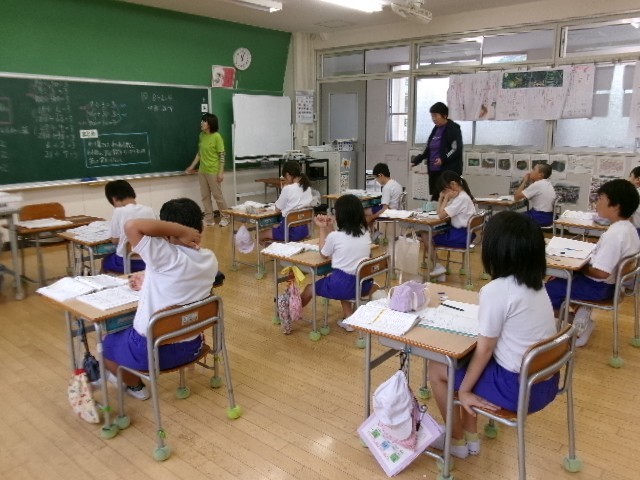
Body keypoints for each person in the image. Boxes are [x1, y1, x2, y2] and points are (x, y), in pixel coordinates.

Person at [428, 211, 559, 459]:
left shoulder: (497, 290)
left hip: (517, 390)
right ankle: (471, 438)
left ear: (496, 251)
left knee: (437, 366)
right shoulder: (537, 284)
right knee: (466, 363)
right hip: (545, 383)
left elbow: (486, 349)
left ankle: (455, 441)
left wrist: (464, 391)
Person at [102, 198, 218, 400]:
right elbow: (178, 278)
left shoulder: (163, 255)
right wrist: (148, 279)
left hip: (150, 354)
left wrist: (180, 231)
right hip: (193, 346)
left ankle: (135, 386)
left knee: (107, 343)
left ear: (165, 232)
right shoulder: (209, 258)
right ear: (200, 227)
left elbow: (131, 226)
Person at [546, 179, 640, 347]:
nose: (597, 202)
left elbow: (601, 272)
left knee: (549, 290)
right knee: (560, 278)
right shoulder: (629, 228)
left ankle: (574, 327)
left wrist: (579, 268)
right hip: (612, 285)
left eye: (601, 198)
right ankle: (580, 317)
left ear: (615, 205)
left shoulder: (615, 235)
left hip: (598, 287)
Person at [300, 194, 374, 329]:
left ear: (341, 216)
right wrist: (329, 226)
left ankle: (292, 311)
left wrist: (321, 228)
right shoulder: (365, 232)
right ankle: (349, 319)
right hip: (362, 283)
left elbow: (323, 254)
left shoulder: (336, 236)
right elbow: (339, 241)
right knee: (339, 277)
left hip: (343, 285)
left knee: (310, 288)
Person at [423, 171, 476, 279]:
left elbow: (440, 215)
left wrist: (445, 198)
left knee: (425, 235)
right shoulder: (461, 196)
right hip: (462, 233)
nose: (444, 192)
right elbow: (440, 212)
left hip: (461, 236)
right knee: (428, 232)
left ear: (453, 184)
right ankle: (438, 266)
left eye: (445, 190)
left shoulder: (461, 199)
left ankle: (438, 266)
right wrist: (441, 198)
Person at [411, 102, 463, 201]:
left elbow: (455, 149)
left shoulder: (453, 129)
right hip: (434, 171)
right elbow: (429, 148)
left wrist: (443, 159)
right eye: (432, 116)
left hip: (447, 171)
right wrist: (418, 159)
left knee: (440, 199)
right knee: (436, 198)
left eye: (435, 115)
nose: (433, 119)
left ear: (444, 115)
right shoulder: (436, 129)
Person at [186, 113, 230, 227]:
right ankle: (209, 219)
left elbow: (222, 155)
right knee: (205, 196)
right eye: (202, 121)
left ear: (210, 124)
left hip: (213, 171)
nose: (201, 123)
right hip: (202, 171)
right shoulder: (202, 135)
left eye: (204, 121)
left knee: (217, 196)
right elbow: (199, 154)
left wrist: (221, 172)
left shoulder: (217, 137)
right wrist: (192, 166)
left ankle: (226, 217)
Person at [102, 180, 156, 274]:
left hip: (127, 262)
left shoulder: (119, 212)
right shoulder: (149, 210)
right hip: (149, 261)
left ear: (114, 199)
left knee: (105, 260)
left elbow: (115, 240)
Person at [259, 160, 314, 242]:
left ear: (288, 175)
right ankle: (276, 248)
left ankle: (274, 249)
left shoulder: (288, 189)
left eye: (284, 177)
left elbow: (277, 209)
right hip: (304, 231)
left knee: (260, 235)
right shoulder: (307, 187)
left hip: (289, 232)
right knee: (275, 228)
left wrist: (285, 189)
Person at [365, 162, 404, 237]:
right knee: (370, 212)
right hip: (397, 210)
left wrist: (372, 217)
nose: (377, 180)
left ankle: (375, 233)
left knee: (363, 211)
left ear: (381, 175)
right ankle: (375, 233)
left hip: (389, 211)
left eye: (376, 178)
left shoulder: (387, 188)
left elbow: (384, 209)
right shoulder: (396, 184)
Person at [628, 166, 640, 236]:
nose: (629, 179)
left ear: (638, 179)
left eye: (631, 176)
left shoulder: (635, 193)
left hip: (637, 232)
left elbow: (628, 217)